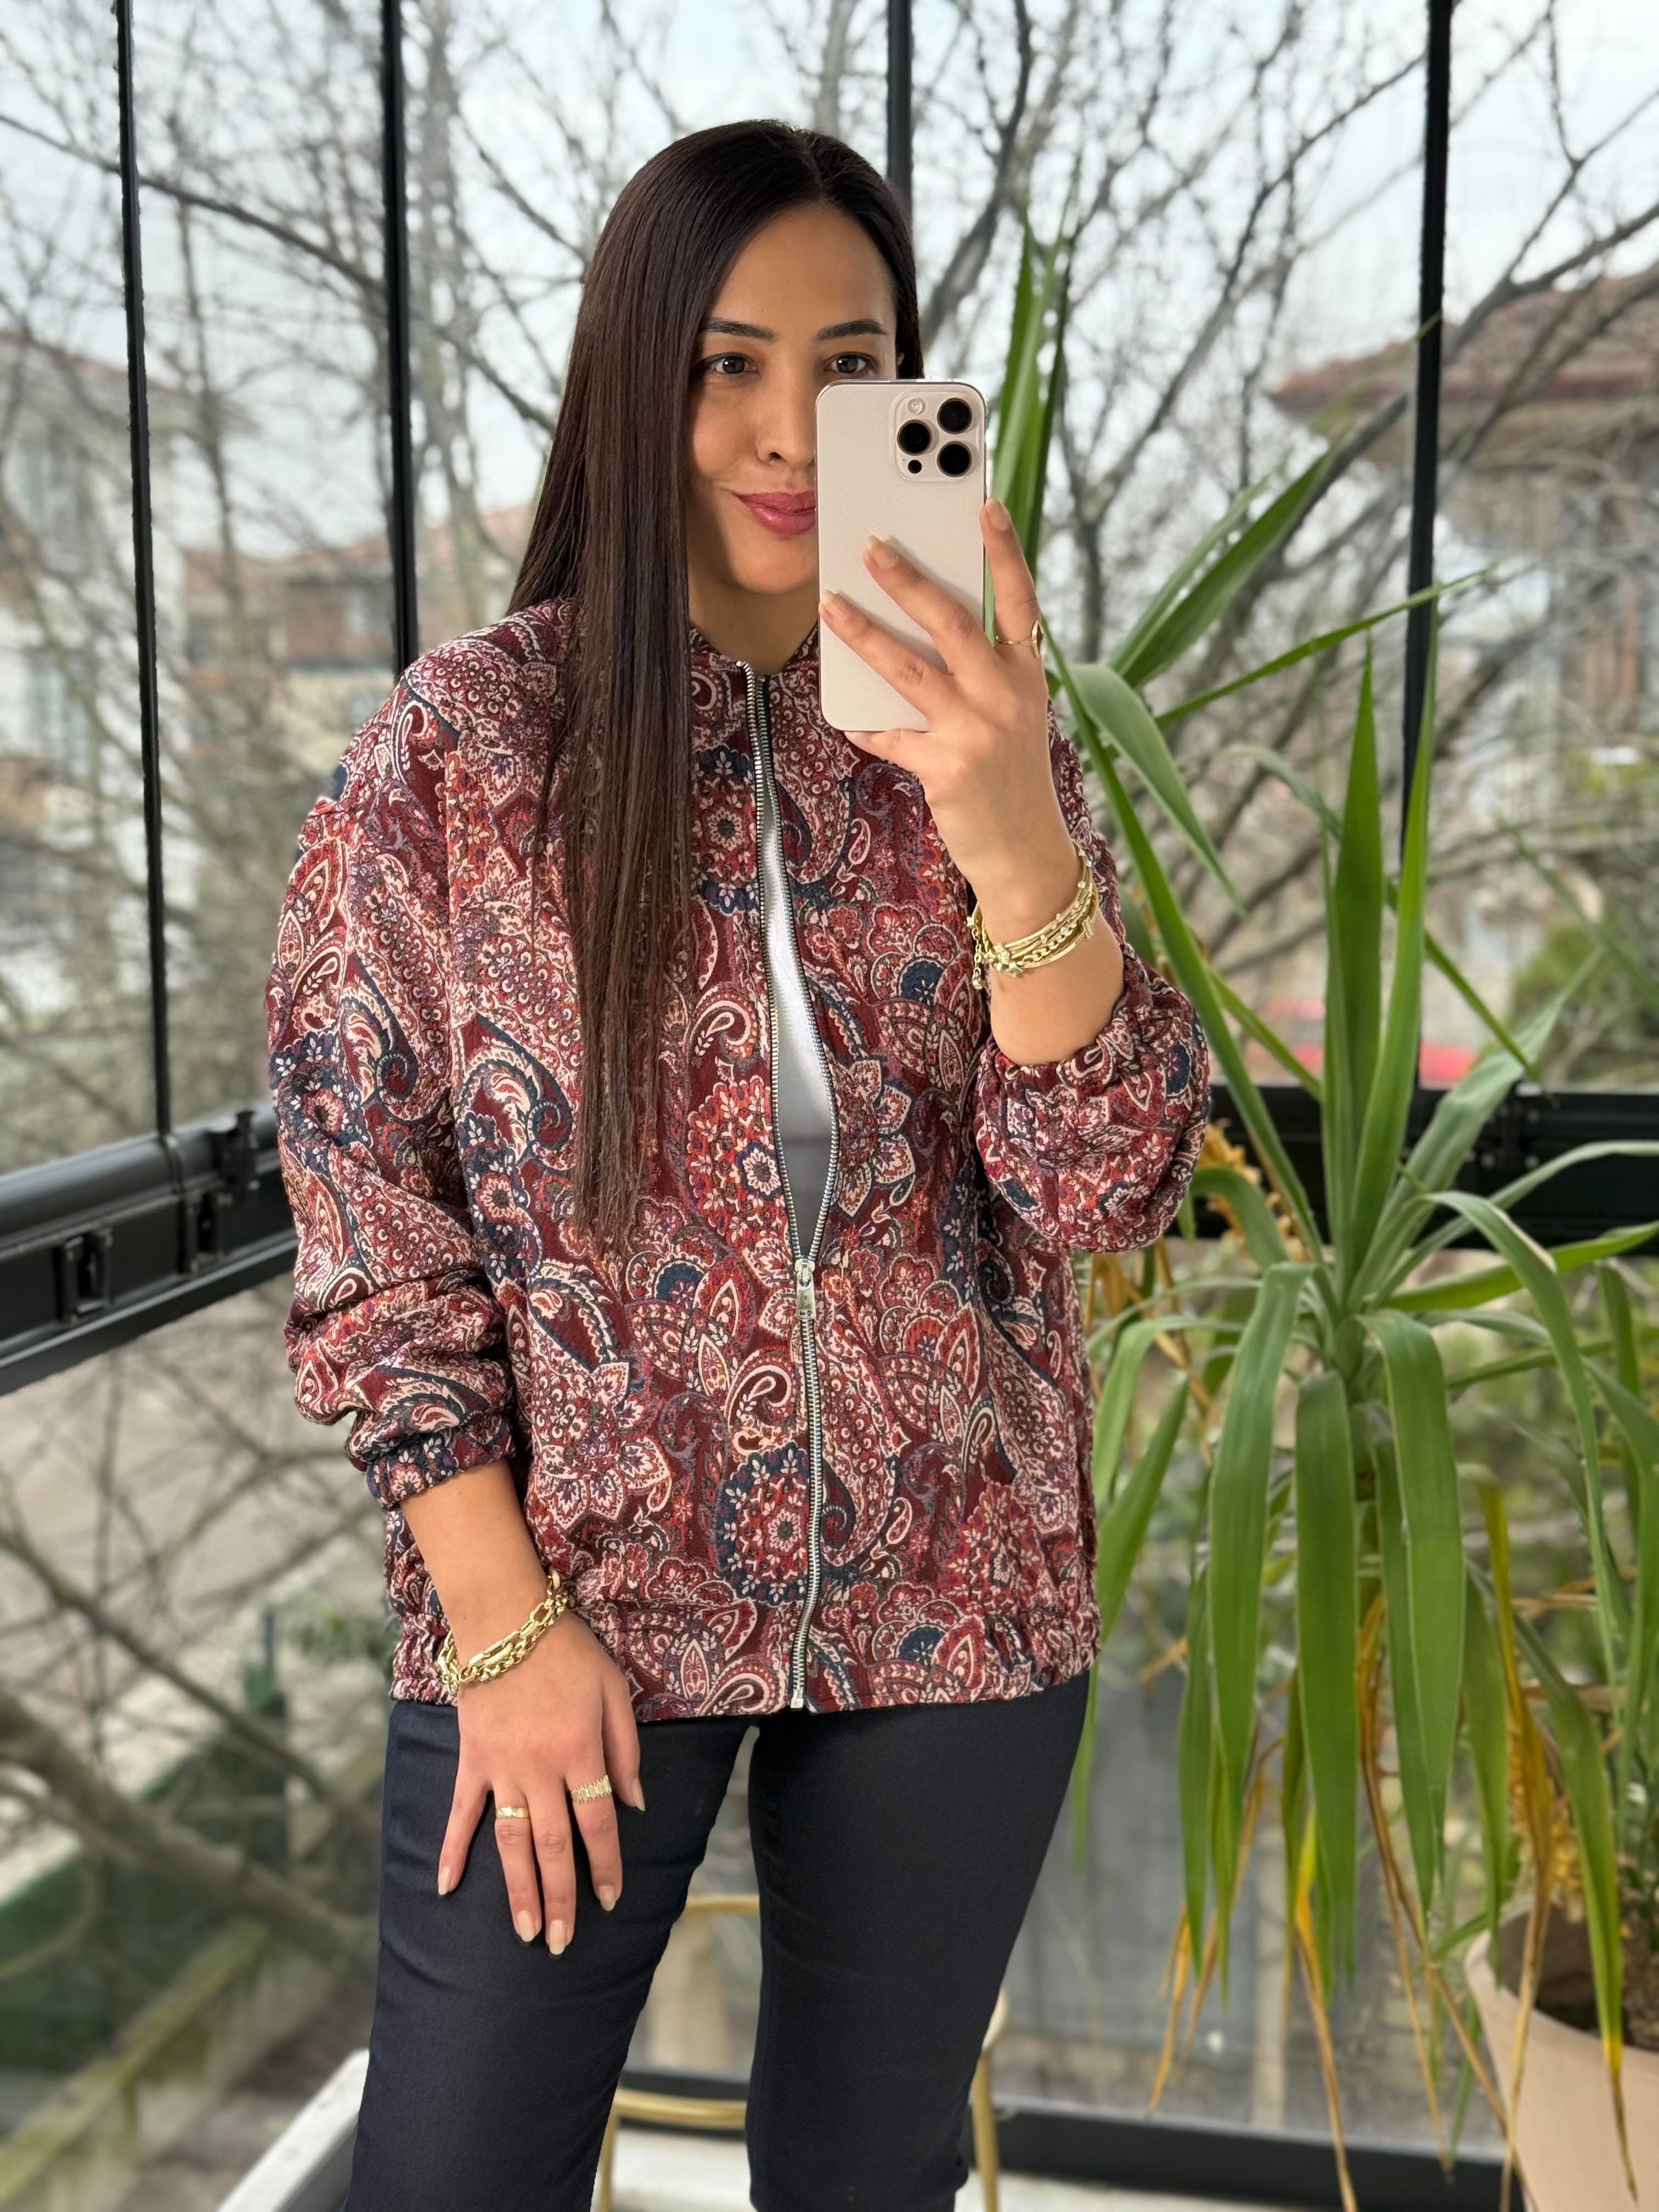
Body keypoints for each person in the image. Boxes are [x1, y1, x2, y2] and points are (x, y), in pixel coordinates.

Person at [266, 117, 1207, 2212]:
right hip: (572, 1609)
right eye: (728, 365)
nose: (793, 431)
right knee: (450, 2178)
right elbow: (369, 1232)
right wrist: (499, 1629)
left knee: (865, 2182)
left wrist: (1009, 824)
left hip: (959, 1600)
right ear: (638, 382)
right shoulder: (458, 754)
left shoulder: (986, 735)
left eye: (850, 366)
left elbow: (1113, 1191)